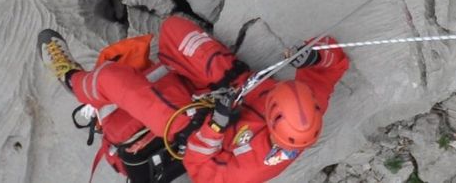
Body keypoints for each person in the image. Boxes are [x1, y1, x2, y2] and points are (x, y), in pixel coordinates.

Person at [37, 16, 349, 183]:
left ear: (272, 116)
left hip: (194, 125)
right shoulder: (308, 112)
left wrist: (215, 127)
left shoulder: (250, 170)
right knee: (174, 29)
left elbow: (201, 170)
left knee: (111, 79)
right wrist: (313, 58)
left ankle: (72, 79)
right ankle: (169, 76)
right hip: (232, 83)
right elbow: (331, 67)